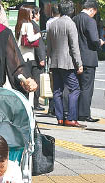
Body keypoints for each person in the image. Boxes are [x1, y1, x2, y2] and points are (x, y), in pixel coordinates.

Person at [47, 0, 85, 128]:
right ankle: (71, 118)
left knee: (57, 91)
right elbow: (74, 46)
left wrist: (49, 61)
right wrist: (79, 63)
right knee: (75, 89)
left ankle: (60, 118)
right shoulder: (70, 24)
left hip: (54, 62)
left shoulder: (52, 24)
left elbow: (49, 47)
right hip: (67, 62)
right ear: (71, 10)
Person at [73, 0, 105, 123]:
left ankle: (75, 112)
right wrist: (100, 42)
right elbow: (93, 39)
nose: (93, 16)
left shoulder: (75, 19)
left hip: (77, 57)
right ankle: (84, 114)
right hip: (88, 58)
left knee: (77, 86)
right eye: (94, 13)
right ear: (91, 9)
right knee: (87, 87)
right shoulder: (89, 21)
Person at [15, 5, 42, 109]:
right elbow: (30, 39)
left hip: (21, 54)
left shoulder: (20, 24)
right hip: (28, 56)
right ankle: (28, 104)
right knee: (28, 81)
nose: (32, 15)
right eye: (31, 13)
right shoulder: (28, 25)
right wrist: (38, 35)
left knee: (22, 80)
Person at [31, 6, 46, 111]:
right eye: (38, 14)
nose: (39, 16)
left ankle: (34, 102)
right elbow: (39, 44)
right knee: (36, 81)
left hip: (32, 59)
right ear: (35, 14)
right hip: (36, 60)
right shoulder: (35, 26)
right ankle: (35, 103)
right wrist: (41, 58)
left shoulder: (27, 24)